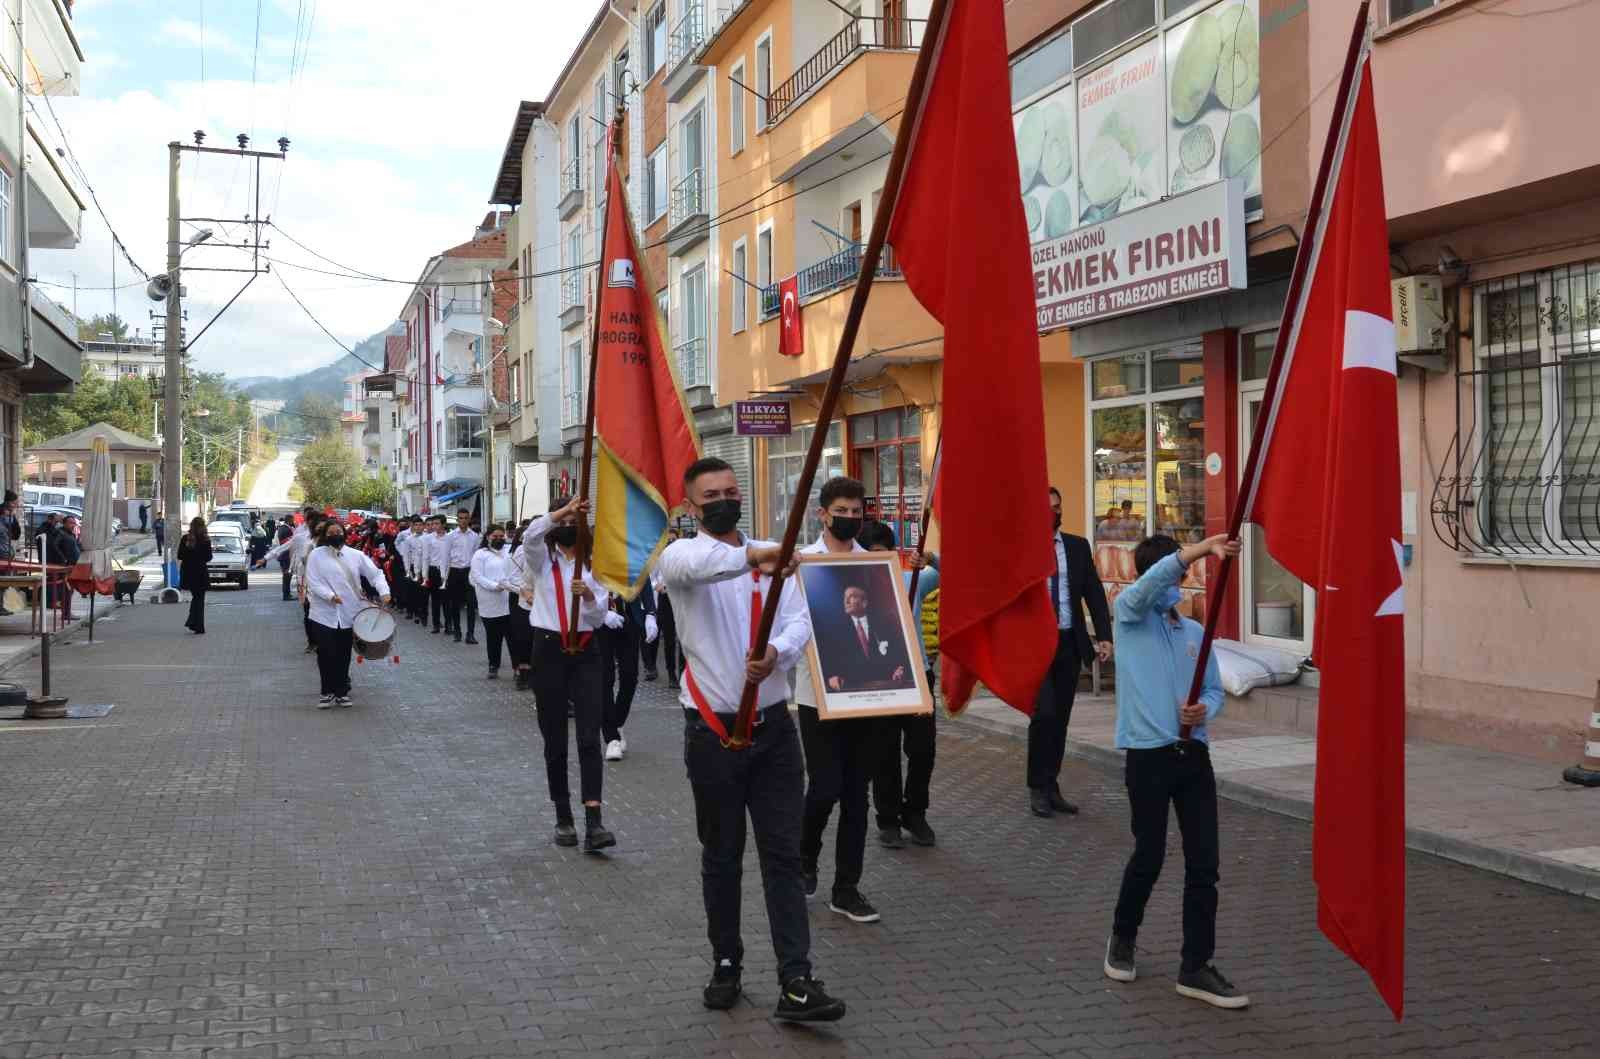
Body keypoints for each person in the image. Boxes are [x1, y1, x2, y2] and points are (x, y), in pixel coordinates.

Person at [657, 456, 844, 1022]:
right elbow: (703, 568)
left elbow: (800, 617)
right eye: (710, 494)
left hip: (774, 733)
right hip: (712, 735)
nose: (724, 500)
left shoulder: (772, 555)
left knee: (784, 856)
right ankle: (727, 963)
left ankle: (797, 978)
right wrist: (753, 558)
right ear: (691, 507)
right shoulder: (681, 557)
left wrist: (778, 654)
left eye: (731, 490)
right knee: (722, 856)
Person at [1102, 532, 1247, 1010]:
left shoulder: (1193, 634)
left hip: (1193, 756)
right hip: (1147, 755)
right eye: (1169, 572)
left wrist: (1203, 709)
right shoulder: (1130, 617)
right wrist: (1200, 548)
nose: (1175, 583)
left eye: (1178, 574)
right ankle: (1123, 937)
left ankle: (1195, 966)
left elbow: (1215, 689)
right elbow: (1147, 587)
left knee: (1205, 862)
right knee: (1150, 854)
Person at [792, 476, 884, 926]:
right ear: (822, 514)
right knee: (824, 788)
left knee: (856, 796)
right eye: (841, 511)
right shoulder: (802, 563)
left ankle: (846, 887)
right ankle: (804, 857)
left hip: (866, 699)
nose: (850, 518)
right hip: (817, 697)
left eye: (856, 511)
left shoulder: (875, 565)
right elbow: (791, 625)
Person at [519, 496, 616, 853]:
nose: (568, 525)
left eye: (575, 520)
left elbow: (600, 617)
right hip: (548, 650)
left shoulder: (596, 564)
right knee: (555, 737)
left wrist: (589, 596)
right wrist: (563, 511)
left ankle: (595, 820)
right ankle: (563, 815)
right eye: (564, 520)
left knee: (589, 736)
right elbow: (530, 535)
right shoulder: (543, 561)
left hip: (587, 649)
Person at [1029, 486, 1113, 819]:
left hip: (1069, 642)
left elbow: (1093, 592)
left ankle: (1052, 785)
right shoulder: (1024, 550)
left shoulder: (1077, 547)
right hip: (1036, 645)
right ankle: (1036, 786)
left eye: (1057, 507)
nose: (1053, 512)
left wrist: (1104, 636)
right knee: (1044, 715)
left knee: (1060, 719)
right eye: (1046, 507)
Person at [858, 520, 939, 849]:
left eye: (886, 553)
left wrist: (930, 558)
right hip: (876, 682)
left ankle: (915, 813)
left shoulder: (912, 581)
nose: (881, 560)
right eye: (873, 554)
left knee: (923, 750)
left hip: (917, 677)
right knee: (884, 753)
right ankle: (888, 819)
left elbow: (957, 575)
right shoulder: (853, 593)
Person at [303, 519, 392, 708]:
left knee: (343, 654)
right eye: (331, 533)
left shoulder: (356, 555)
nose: (335, 535)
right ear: (325, 536)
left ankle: (342, 691)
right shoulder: (316, 556)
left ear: (344, 533)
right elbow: (313, 581)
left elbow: (375, 574)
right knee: (326, 653)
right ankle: (327, 692)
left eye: (338, 532)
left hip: (349, 613)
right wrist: (329, 596)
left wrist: (384, 592)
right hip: (323, 614)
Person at [599, 577, 657, 762]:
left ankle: (616, 721)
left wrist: (650, 613)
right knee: (604, 678)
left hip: (629, 615)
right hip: (600, 621)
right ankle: (611, 738)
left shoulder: (630, 550)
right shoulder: (593, 550)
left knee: (630, 675)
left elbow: (643, 576)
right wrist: (602, 613)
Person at [470, 525, 519, 679]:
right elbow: (477, 576)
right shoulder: (480, 554)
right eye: (494, 536)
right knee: (493, 637)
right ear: (487, 537)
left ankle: (518, 667)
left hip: (510, 601)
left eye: (501, 536)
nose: (498, 539)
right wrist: (494, 586)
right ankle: (493, 665)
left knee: (514, 638)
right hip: (489, 602)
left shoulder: (510, 551)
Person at [506, 520, 535, 690]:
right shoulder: (521, 551)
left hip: (538, 600)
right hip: (522, 600)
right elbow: (513, 578)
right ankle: (523, 673)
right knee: (523, 637)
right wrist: (527, 592)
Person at [443, 508, 478, 642]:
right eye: (461, 518)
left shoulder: (474, 536)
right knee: (455, 604)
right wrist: (444, 576)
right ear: (457, 520)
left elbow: (476, 556)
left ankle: (470, 634)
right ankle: (457, 631)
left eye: (465, 518)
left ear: (469, 519)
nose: (463, 521)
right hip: (454, 571)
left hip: (469, 572)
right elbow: (445, 556)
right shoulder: (451, 536)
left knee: (471, 604)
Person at [176, 517, 211, 634]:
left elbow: (180, 556)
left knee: (196, 598)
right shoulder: (205, 540)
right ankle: (198, 625)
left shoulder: (186, 539)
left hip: (189, 573)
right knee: (199, 599)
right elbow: (208, 557)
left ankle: (193, 622)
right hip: (200, 573)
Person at [275, 520, 295, 600]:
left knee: (287, 577)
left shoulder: (281, 529)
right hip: (286, 558)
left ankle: (287, 594)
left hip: (284, 557)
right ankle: (286, 595)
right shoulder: (286, 530)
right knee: (287, 577)